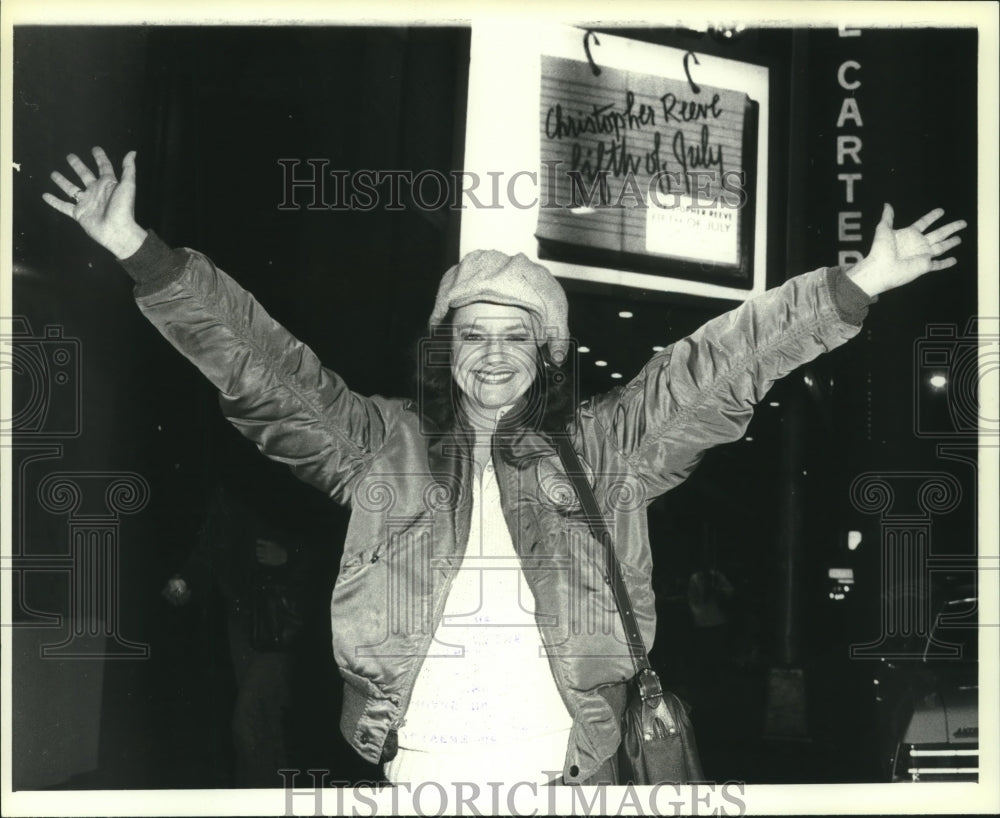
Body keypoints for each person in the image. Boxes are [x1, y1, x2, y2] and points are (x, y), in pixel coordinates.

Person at [43, 147, 966, 786]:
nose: (491, 356)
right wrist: (143, 254)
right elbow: (264, 370)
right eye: (470, 336)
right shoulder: (380, 446)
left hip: (569, 768)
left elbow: (717, 364)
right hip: (418, 767)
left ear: (550, 354)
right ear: (444, 352)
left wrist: (857, 285)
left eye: (515, 337)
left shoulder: (607, 450)